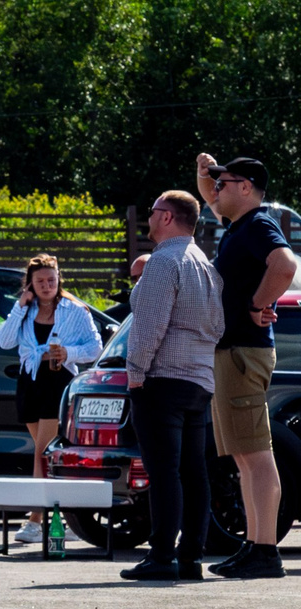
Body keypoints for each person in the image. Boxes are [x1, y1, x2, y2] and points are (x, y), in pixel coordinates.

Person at [200, 157, 299, 578]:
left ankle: (265, 550)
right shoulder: (238, 225)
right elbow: (210, 196)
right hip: (233, 350)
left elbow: (285, 264)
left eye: (225, 182)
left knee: (256, 455)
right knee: (243, 456)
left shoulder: (258, 224)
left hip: (244, 351)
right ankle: (255, 545)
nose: (216, 188)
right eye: (216, 182)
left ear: (247, 187)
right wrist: (202, 170)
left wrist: (258, 303)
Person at [121, 190, 226, 582]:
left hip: (161, 378)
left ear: (167, 217)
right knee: (193, 472)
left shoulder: (164, 262)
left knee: (164, 471)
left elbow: (149, 324)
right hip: (198, 381)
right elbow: (218, 325)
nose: (149, 218)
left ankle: (162, 555)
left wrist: (136, 373)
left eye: (152, 212)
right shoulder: (205, 264)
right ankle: (190, 557)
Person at [0, 253, 104, 544]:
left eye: (51, 280)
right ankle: (64, 515)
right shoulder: (26, 311)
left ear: (59, 280)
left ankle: (36, 518)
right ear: (29, 284)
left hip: (58, 381)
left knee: (43, 450)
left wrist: (68, 352)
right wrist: (19, 307)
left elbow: (95, 347)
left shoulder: (75, 310)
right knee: (46, 453)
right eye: (40, 281)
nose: (46, 286)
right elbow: (4, 341)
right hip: (30, 381)